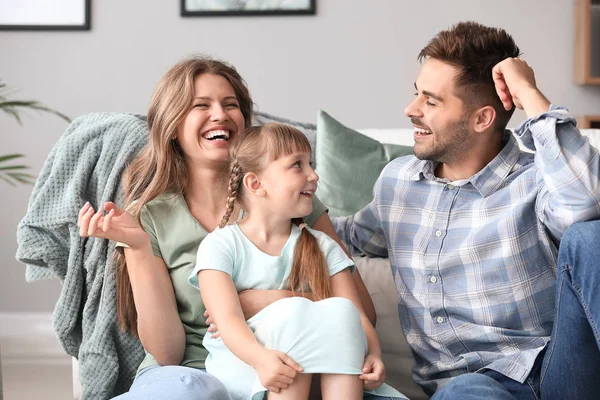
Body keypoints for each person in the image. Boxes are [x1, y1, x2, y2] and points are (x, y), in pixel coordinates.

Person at [76, 55, 377, 399]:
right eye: (200, 105)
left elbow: (358, 316)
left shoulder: (295, 203)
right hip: (194, 371)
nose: (220, 114)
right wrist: (139, 249)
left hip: (294, 366)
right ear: (172, 125)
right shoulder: (152, 218)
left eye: (230, 104)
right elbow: (168, 354)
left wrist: (269, 301)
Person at [333, 21, 600, 400]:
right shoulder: (398, 184)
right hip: (468, 389)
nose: (410, 110)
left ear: (482, 119)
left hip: (559, 374)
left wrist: (528, 91)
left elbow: (589, 202)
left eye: (431, 101)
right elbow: (341, 237)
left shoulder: (538, 180)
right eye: (417, 94)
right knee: (466, 391)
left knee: (591, 237)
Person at [188, 123, 406, 400]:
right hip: (251, 365)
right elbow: (227, 320)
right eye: (297, 165)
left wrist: (373, 353)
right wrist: (260, 360)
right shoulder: (220, 246)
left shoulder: (321, 246)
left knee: (341, 309)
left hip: (324, 367)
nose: (313, 175)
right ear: (256, 184)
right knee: (293, 312)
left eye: (310, 163)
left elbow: (356, 316)